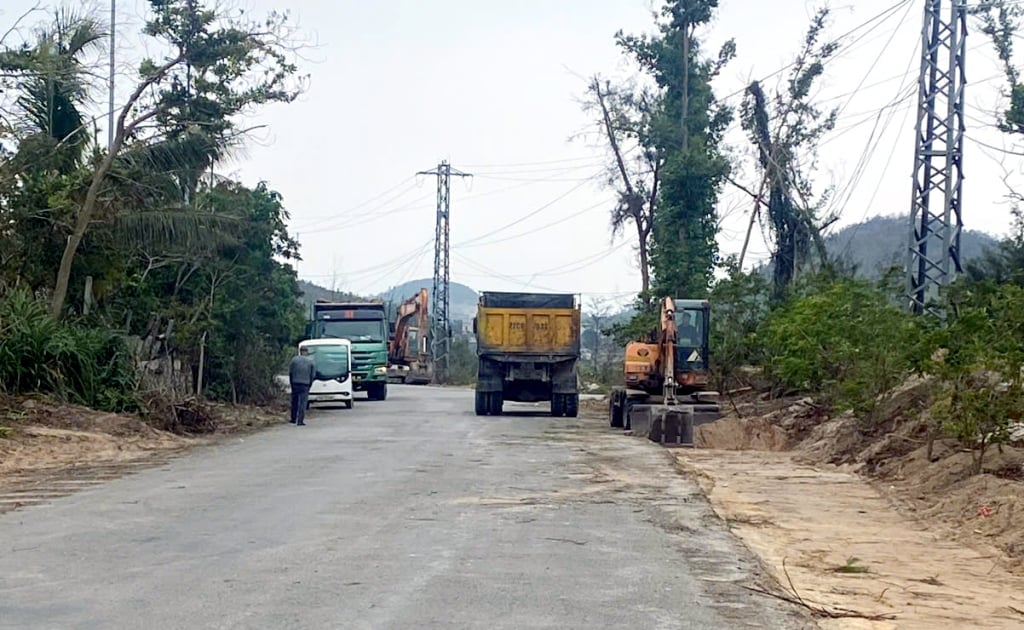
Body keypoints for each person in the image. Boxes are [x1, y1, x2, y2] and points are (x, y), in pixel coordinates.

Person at [288, 346, 316, 426]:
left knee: (294, 401)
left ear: (300, 351)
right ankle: (300, 420)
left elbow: (290, 372)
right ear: (306, 352)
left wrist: (291, 382)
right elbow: (312, 375)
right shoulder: (310, 361)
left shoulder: (294, 360)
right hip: (305, 384)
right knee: (302, 403)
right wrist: (310, 384)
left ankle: (293, 419)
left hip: (295, 383)